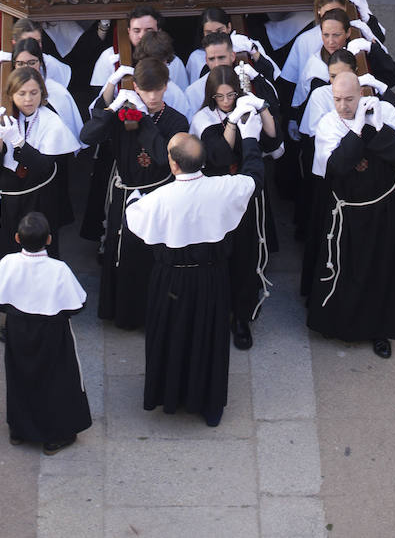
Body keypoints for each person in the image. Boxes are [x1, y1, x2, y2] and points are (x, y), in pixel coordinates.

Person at [125, 114, 264, 426]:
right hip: (211, 277)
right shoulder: (224, 188)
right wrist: (250, 136)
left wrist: (136, 197)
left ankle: (168, 396)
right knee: (209, 338)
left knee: (170, 335)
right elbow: (255, 175)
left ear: (173, 165)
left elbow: (133, 218)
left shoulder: (158, 200)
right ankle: (209, 405)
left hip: (169, 278)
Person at [304, 68, 395, 359]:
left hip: (382, 209)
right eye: (338, 99)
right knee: (344, 270)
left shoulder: (385, 112)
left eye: (349, 99)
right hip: (346, 213)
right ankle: (339, 324)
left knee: (381, 270)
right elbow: (335, 167)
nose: (343, 106)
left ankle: (380, 330)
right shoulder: (329, 124)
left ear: (361, 94)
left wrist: (377, 130)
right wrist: (357, 133)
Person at [79, 56, 189, 328]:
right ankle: (124, 314)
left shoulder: (176, 120)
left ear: (166, 86)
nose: (151, 96)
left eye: (157, 89)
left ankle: (156, 314)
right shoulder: (122, 114)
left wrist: (144, 121)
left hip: (159, 192)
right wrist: (111, 105)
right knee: (124, 252)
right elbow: (87, 136)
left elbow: (163, 158)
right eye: (145, 89)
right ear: (135, 87)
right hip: (126, 192)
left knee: (155, 255)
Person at [190, 68, 281, 348]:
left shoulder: (245, 108)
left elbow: (273, 138)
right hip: (216, 196)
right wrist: (232, 121)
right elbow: (218, 155)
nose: (227, 101)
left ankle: (241, 316)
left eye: (231, 95)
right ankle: (215, 311)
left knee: (245, 255)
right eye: (221, 96)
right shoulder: (204, 118)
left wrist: (259, 106)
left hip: (243, 193)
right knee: (216, 254)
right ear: (212, 96)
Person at [0, 210, 92, 454]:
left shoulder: (8, 263)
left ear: (16, 238)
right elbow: (77, 305)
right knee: (55, 380)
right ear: (48, 239)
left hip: (17, 329)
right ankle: (54, 435)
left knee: (19, 377)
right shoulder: (58, 269)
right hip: (51, 332)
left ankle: (19, 429)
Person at [0, 65, 80, 296]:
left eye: (34, 92)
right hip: (4, 200)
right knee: (4, 250)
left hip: (37, 199)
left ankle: (40, 301)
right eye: (21, 93)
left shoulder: (51, 122)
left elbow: (45, 168)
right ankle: (5, 302)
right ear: (11, 94)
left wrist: (20, 144)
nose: (28, 99)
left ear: (42, 93)